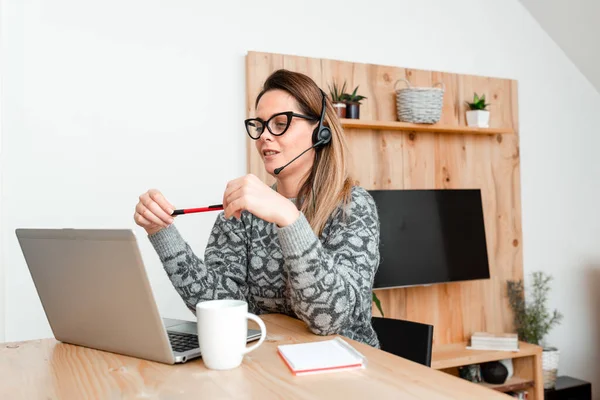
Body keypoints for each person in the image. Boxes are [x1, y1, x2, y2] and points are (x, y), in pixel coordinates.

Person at [133, 69, 381, 347]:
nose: (264, 136)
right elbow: (218, 305)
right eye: (260, 125)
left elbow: (331, 318)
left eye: (280, 123)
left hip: (347, 368)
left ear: (320, 131)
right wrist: (161, 232)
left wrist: (289, 218)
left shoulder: (353, 205)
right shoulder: (246, 209)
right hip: (270, 362)